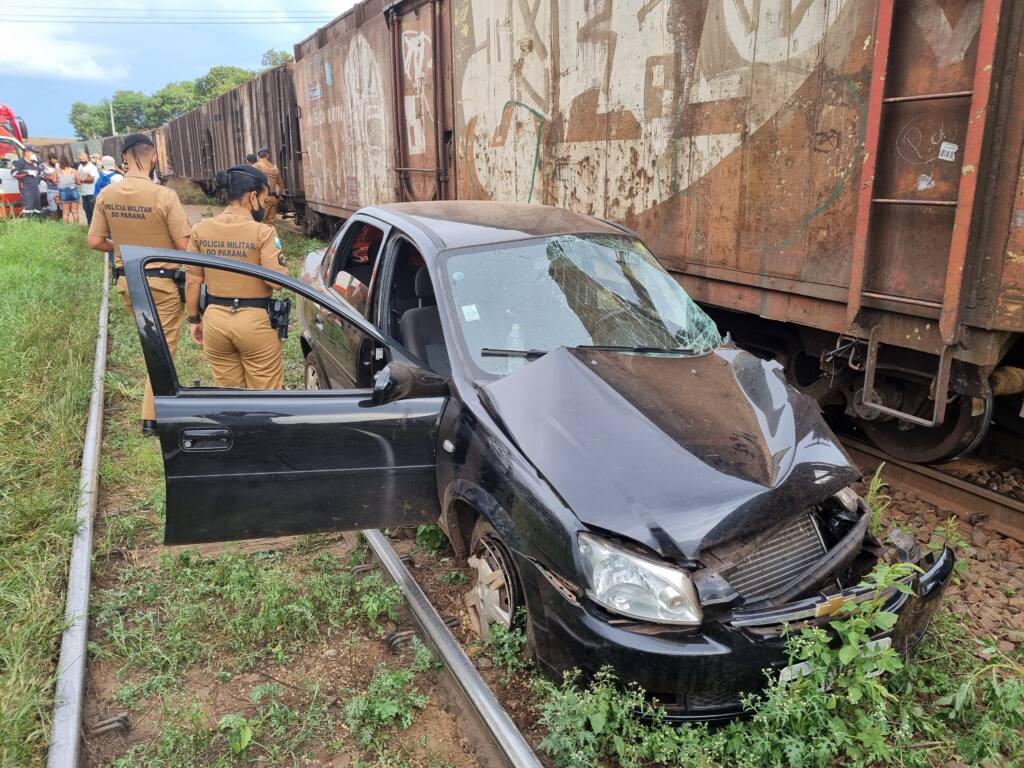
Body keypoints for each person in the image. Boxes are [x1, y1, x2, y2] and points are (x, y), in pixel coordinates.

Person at [87, 133, 191, 435]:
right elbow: (184, 247)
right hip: (161, 284)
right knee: (164, 347)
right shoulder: (164, 196)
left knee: (151, 345)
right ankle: (153, 417)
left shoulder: (107, 194)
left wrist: (123, 249)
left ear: (124, 159)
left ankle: (154, 412)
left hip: (128, 282)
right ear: (152, 157)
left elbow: (94, 241)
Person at [185, 165, 289, 389]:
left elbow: (192, 280)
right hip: (255, 323)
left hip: (215, 322)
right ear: (252, 197)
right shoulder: (264, 232)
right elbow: (276, 281)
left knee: (230, 397)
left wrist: (194, 320)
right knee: (267, 397)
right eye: (263, 199)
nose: (263, 205)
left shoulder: (200, 229)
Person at [254, 148, 283, 226]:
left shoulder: (257, 166)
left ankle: (259, 237)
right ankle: (271, 237)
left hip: (263, 198)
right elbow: (281, 185)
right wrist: (277, 196)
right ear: (267, 155)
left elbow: (252, 181)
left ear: (258, 156)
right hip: (273, 198)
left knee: (259, 221)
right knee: (271, 223)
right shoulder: (275, 168)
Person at [11, 147, 43, 216]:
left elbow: (40, 173)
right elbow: (13, 173)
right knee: (29, 205)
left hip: (35, 187)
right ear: (26, 153)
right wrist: (27, 172)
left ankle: (37, 223)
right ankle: (28, 223)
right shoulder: (19, 162)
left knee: (37, 206)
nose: (34, 154)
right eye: (32, 153)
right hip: (26, 187)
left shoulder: (34, 162)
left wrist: (39, 163)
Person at [77, 150, 99, 224]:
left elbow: (91, 179)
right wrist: (84, 178)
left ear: (87, 158)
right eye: (81, 159)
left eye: (84, 159)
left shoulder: (91, 167)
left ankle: (95, 226)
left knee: (93, 210)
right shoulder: (80, 166)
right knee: (86, 210)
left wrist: (81, 179)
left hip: (91, 192)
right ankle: (90, 225)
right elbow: (79, 177)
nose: (82, 161)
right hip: (83, 192)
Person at [57, 157, 80, 223]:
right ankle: (77, 227)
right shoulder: (74, 171)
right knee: (75, 212)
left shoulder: (58, 171)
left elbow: (55, 180)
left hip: (63, 192)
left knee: (65, 213)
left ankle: (66, 228)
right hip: (73, 191)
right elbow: (79, 183)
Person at [42, 154, 61, 218]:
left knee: (61, 207)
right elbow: (40, 176)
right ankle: (54, 223)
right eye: (53, 160)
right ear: (49, 159)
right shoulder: (43, 166)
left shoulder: (58, 165)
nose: (55, 162)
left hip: (60, 189)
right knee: (53, 208)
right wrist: (48, 178)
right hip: (51, 189)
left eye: (56, 160)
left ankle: (61, 222)